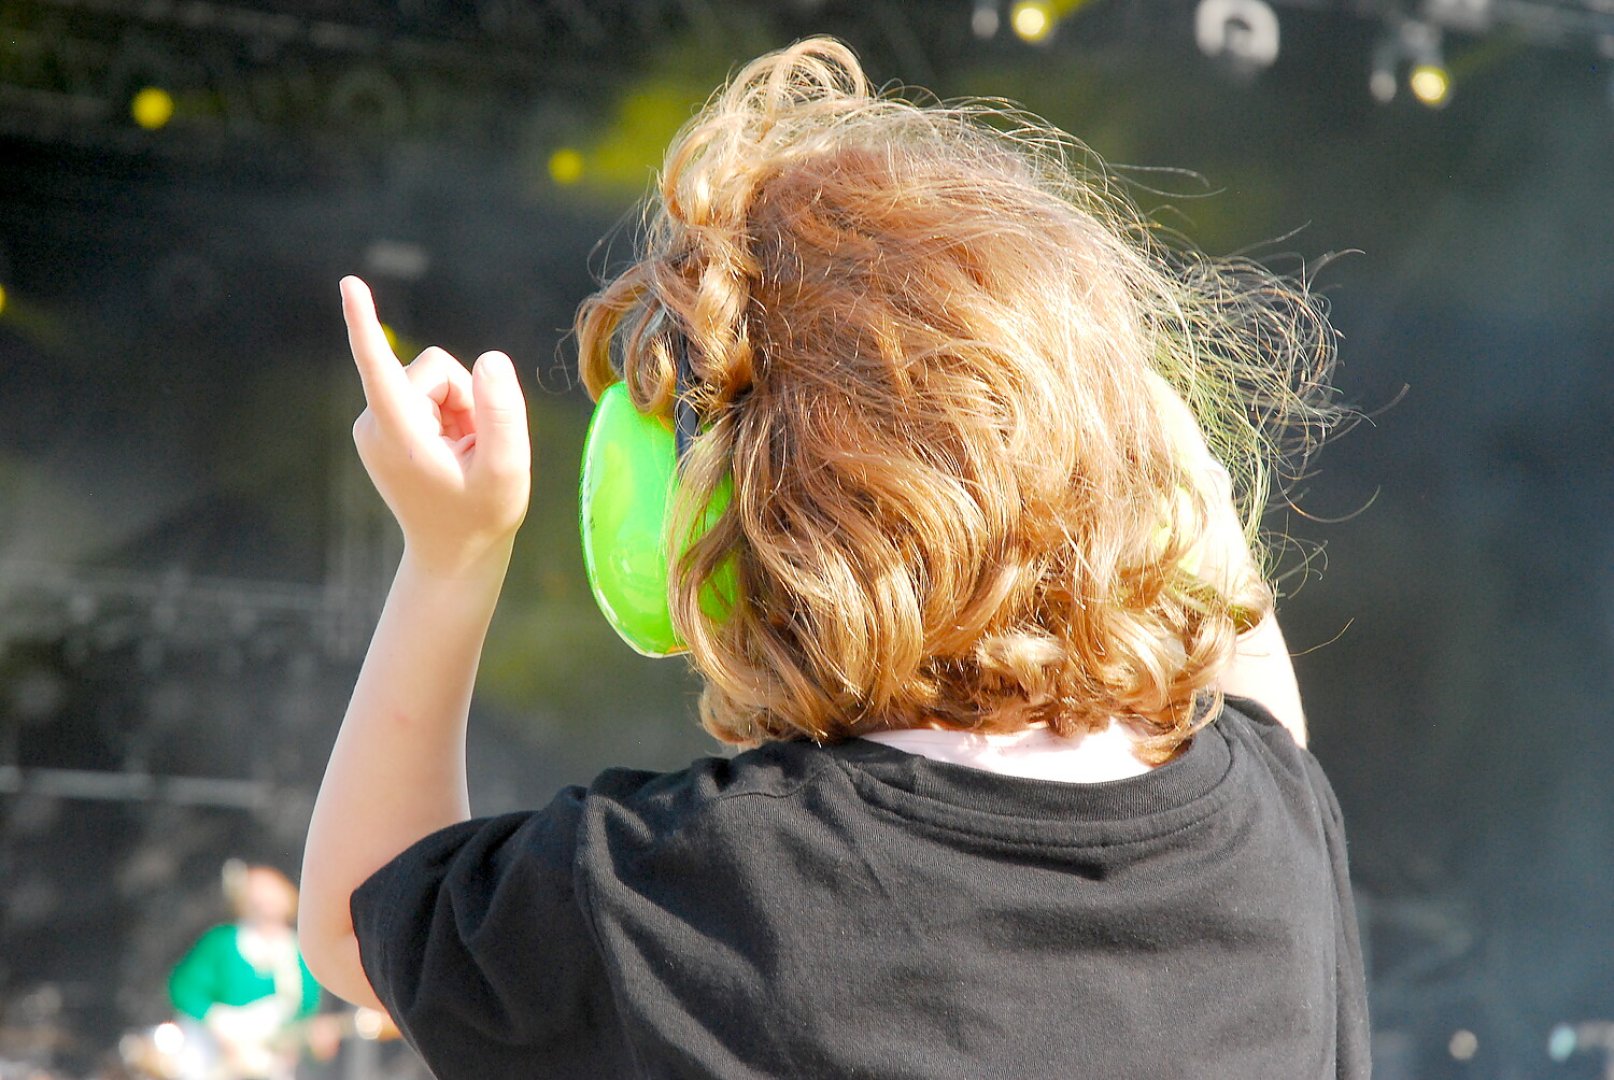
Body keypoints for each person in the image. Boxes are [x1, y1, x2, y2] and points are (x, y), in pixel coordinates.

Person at [299, 37, 1370, 1078]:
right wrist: (1100, 421)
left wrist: (453, 557)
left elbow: (361, 917)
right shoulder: (1271, 823)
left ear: (721, 528)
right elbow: (1243, 641)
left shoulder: (694, 895)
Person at [167, 863, 331, 1080]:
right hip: (212, 1059)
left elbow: (303, 1016)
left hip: (268, 1065)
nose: (266, 900)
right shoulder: (222, 943)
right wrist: (219, 1026)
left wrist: (312, 1043)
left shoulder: (299, 953)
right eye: (258, 892)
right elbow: (183, 989)